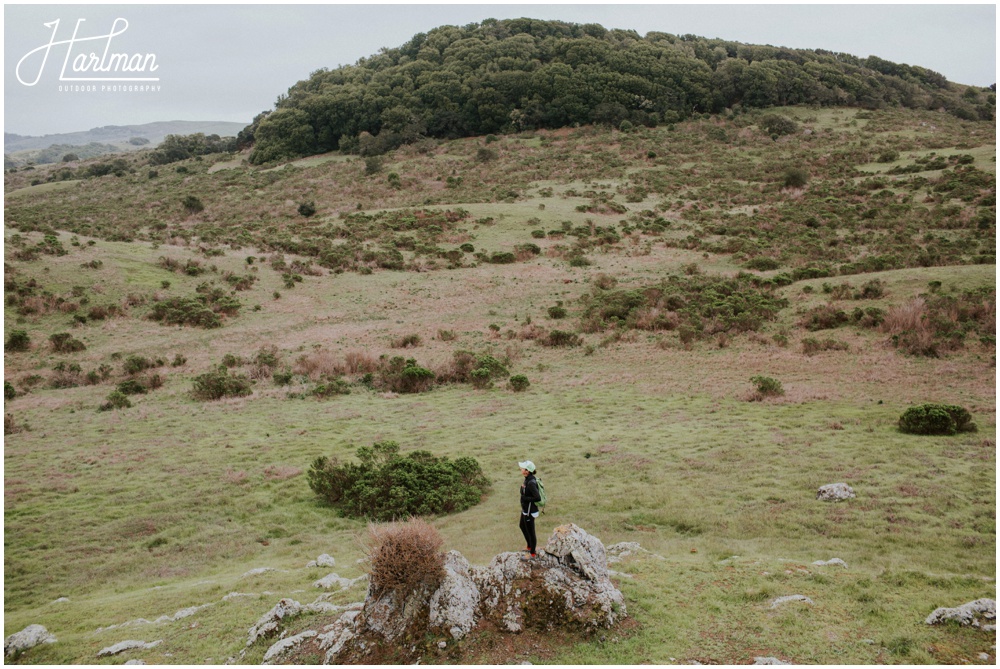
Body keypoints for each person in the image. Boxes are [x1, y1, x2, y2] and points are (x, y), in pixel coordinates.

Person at [518, 460, 541, 559]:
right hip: (525, 509)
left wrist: (525, 498)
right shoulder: (527, 479)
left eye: (523, 468)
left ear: (527, 471)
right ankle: (529, 546)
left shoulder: (531, 482)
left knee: (531, 531)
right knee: (522, 526)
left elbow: (537, 497)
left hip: (530, 511)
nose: (521, 469)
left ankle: (532, 553)